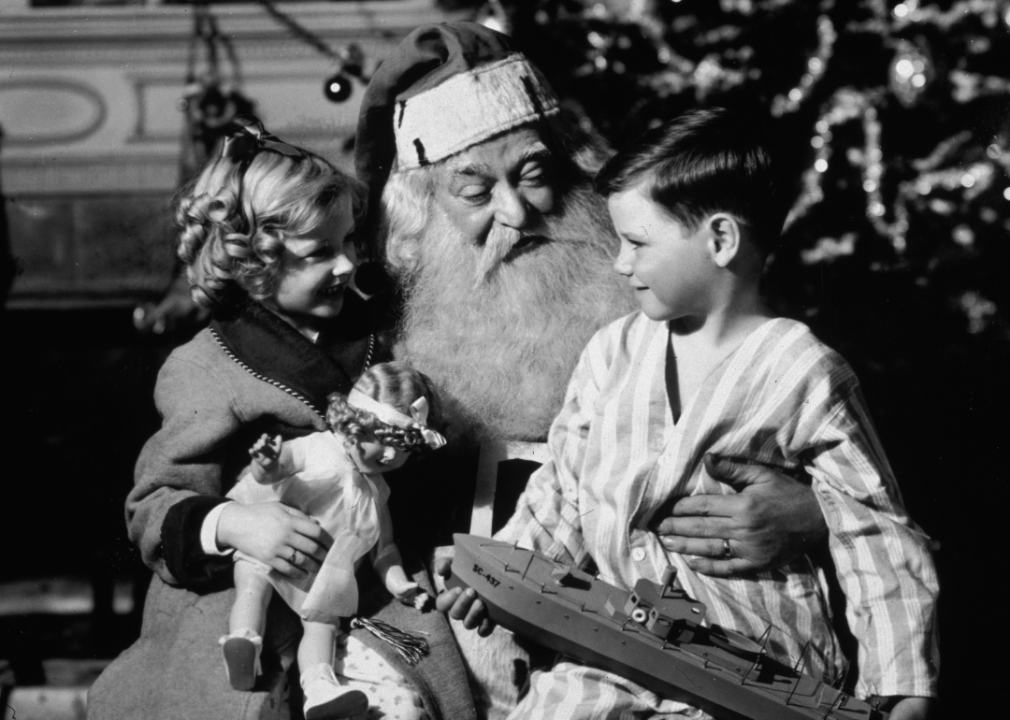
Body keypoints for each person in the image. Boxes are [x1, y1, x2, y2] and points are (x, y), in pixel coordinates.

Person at [354, 22, 829, 717]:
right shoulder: (374, 340)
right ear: (417, 212)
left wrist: (810, 514)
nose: (515, 213)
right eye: (475, 190)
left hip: (685, 646)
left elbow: (858, 481)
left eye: (534, 174)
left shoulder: (681, 298)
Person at [440, 109, 939, 720]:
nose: (620, 262)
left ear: (721, 240)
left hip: (762, 670)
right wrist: (500, 576)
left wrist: (903, 689)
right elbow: (563, 492)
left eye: (637, 243)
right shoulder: (611, 353)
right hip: (615, 652)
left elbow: (874, 531)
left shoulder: (804, 371)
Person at [88, 116, 475, 720]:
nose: (347, 266)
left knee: (407, 696)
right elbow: (154, 504)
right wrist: (236, 524)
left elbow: (434, 462)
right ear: (253, 263)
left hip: (372, 576)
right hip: (247, 589)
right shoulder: (204, 368)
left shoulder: (387, 336)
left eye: (350, 243)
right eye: (320, 252)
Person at [223, 362, 447, 719]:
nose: (390, 456)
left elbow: (384, 548)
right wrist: (265, 464)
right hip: (274, 541)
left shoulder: (379, 493)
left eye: (401, 449)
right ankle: (243, 640)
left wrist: (400, 583)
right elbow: (277, 468)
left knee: (323, 627)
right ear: (354, 424)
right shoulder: (316, 447)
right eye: (382, 441)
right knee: (253, 583)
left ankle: (320, 688)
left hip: (323, 574)